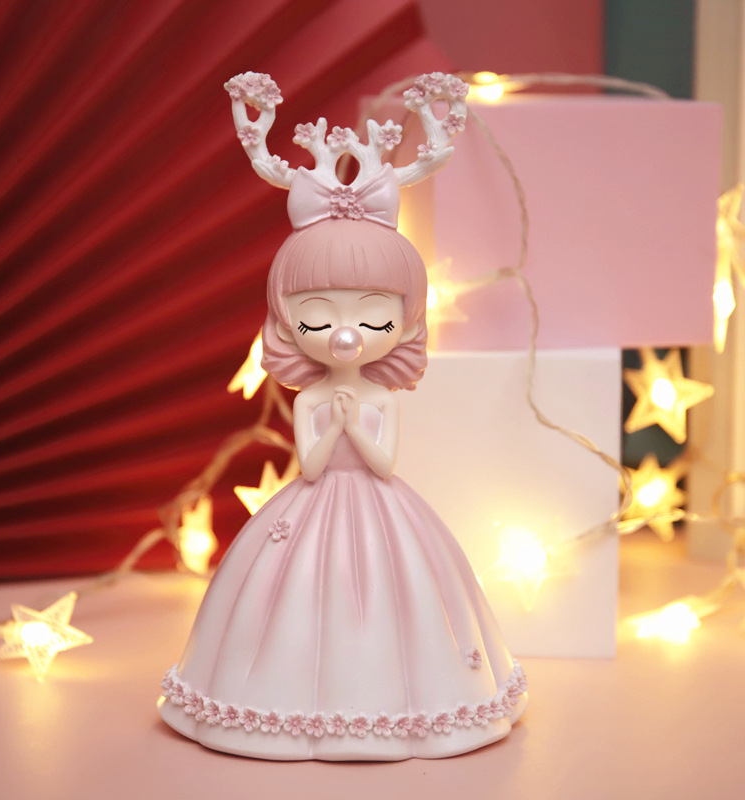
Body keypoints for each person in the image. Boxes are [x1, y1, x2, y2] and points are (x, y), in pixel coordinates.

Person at [158, 73, 526, 761]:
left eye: (374, 315)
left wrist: (357, 421)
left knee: (402, 603)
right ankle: (268, 708)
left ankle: (402, 711)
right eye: (318, 316)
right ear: (287, 319)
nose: (347, 333)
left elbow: (384, 466)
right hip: (314, 503)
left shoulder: (380, 397)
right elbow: (310, 466)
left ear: (405, 318)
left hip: (379, 505)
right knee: (289, 602)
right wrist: (337, 422)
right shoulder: (311, 397)